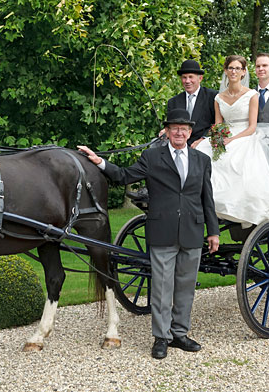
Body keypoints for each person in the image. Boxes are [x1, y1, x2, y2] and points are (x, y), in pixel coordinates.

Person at [77, 109, 220, 360]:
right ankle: (161, 337)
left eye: (184, 128)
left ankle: (179, 334)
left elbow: (206, 199)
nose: (179, 132)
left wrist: (213, 232)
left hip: (192, 231)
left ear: (189, 132)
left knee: (185, 288)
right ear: (166, 131)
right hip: (162, 231)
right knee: (162, 288)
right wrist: (99, 162)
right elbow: (123, 176)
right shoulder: (152, 157)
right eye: (174, 128)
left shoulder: (201, 160)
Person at [196, 55, 269, 227]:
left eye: (237, 68)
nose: (233, 71)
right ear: (226, 71)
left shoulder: (252, 95)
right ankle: (201, 201)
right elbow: (218, 124)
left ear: (243, 72)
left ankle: (236, 206)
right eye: (230, 68)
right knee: (199, 153)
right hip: (225, 135)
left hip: (245, 136)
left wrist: (232, 139)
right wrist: (217, 140)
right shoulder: (219, 98)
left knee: (235, 159)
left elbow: (251, 127)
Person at [167, 60, 219, 148]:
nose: (187, 81)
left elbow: (217, 124)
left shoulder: (213, 97)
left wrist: (204, 139)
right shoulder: (173, 101)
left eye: (191, 77)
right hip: (179, 144)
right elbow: (171, 125)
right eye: (184, 77)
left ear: (200, 78)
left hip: (204, 143)